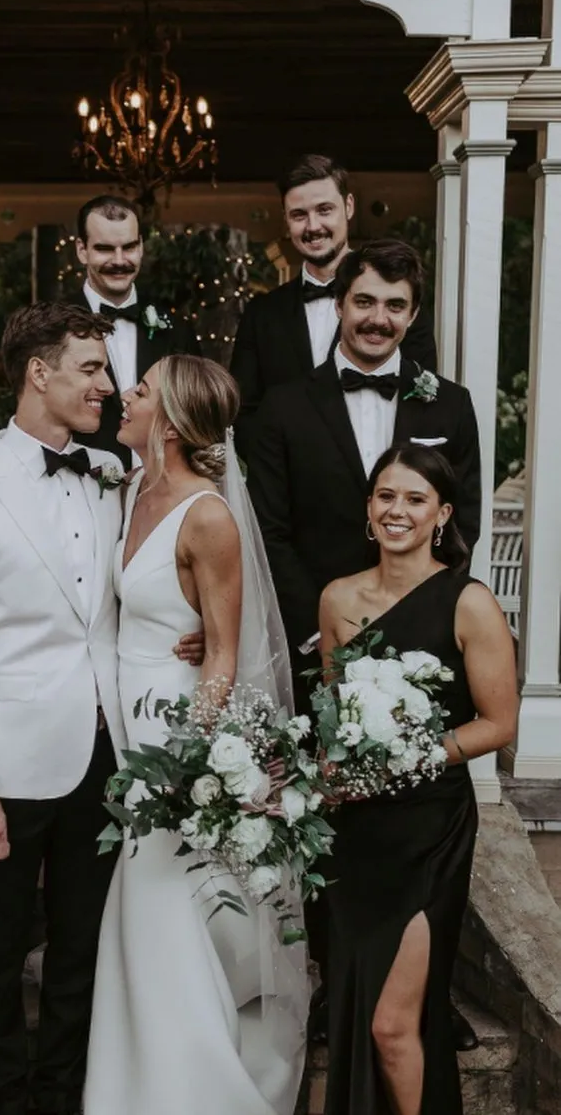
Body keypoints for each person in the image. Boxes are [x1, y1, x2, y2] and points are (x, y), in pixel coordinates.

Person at [0, 301, 202, 1115]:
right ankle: (6, 1096)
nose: (106, 387)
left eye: (107, 372)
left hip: (107, 753)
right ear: (38, 373)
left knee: (82, 947)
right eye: (91, 368)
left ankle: (64, 1092)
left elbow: (156, 581)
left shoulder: (114, 476)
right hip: (5, 762)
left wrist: (194, 629)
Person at [247, 238, 481, 1049]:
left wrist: (421, 622)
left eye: (395, 306)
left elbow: (466, 517)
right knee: (332, 822)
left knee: (422, 829)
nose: (378, 318)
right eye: (365, 301)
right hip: (324, 642)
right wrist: (323, 630)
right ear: (339, 304)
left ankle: (427, 995)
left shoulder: (447, 404)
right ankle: (335, 985)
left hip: (422, 646)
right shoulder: (280, 406)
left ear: (412, 318)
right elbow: (270, 533)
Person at [84, 355, 308, 1115]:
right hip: (122, 717)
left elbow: (220, 648)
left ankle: (192, 1091)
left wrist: (188, 761)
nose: (125, 394)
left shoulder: (208, 514)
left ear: (171, 421)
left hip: (171, 735)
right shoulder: (129, 489)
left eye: (140, 390)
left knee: (163, 904)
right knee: (144, 908)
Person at [318, 444, 518, 1115]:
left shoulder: (470, 603)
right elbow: (332, 716)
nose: (395, 510)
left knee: (393, 1025)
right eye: (385, 496)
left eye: (413, 498)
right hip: (356, 835)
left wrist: (409, 755)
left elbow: (499, 722)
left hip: (429, 834)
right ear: (367, 507)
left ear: (442, 514)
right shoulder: (338, 598)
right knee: (359, 1012)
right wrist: (323, 773)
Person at [229, 155, 437, 464]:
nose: (313, 227)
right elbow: (244, 414)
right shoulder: (262, 315)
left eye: (324, 210)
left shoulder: (396, 302)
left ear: (349, 206)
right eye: (299, 215)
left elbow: (420, 398)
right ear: (286, 220)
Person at [66, 194, 197, 466]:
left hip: (161, 484)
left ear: (141, 247)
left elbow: (193, 412)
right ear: (82, 250)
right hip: (79, 480)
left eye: (128, 247)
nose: (119, 260)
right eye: (104, 249)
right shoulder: (53, 325)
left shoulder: (177, 328)